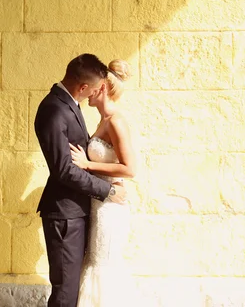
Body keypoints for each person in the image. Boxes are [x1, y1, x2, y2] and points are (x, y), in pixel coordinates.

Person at [34, 54, 127, 307]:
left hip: (78, 211)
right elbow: (63, 169)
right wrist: (107, 191)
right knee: (65, 292)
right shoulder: (53, 110)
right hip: (64, 214)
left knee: (73, 288)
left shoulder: (69, 104)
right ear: (83, 87)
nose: (95, 94)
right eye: (94, 89)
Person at [69, 59, 137, 307]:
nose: (86, 91)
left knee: (103, 265)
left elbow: (130, 169)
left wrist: (87, 165)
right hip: (99, 202)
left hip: (111, 206)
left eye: (91, 87)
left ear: (102, 88)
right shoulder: (102, 120)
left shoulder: (116, 121)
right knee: (95, 262)